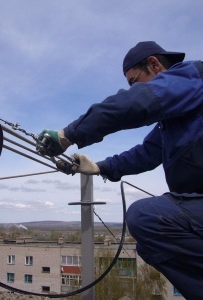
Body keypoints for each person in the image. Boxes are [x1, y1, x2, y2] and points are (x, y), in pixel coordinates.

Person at [38, 41, 203, 299]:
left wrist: (67, 135)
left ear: (154, 64)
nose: (134, 88)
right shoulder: (176, 121)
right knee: (148, 246)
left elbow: (134, 103)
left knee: (146, 217)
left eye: (134, 81)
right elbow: (145, 153)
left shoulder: (191, 76)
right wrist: (100, 168)